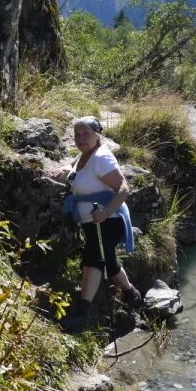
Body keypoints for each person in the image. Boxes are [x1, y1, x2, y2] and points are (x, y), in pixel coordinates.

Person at [54, 116, 142, 332]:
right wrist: (66, 169)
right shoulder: (85, 155)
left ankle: (82, 313)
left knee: (92, 260)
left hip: (109, 220)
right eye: (77, 134)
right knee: (108, 261)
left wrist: (106, 212)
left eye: (86, 134)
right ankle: (132, 294)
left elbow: (123, 188)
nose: (81, 138)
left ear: (97, 135)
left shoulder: (102, 158)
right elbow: (77, 166)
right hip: (92, 221)